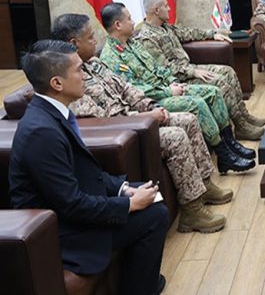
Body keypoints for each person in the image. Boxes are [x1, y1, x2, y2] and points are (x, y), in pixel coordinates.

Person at [9, 40, 168, 295]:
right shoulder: (41, 132)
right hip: (60, 231)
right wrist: (129, 204)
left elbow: (86, 174)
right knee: (154, 215)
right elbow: (70, 205)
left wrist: (123, 189)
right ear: (57, 83)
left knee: (152, 195)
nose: (85, 76)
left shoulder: (53, 113)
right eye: (79, 70)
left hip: (74, 209)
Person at [52, 13, 232, 233]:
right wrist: (145, 118)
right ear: (74, 43)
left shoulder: (94, 63)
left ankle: (205, 185)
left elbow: (126, 89)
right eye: (90, 37)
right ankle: (192, 210)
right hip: (125, 130)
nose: (96, 40)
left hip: (136, 116)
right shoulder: (69, 80)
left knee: (188, 119)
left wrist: (150, 106)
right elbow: (103, 122)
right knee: (175, 136)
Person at [99, 2, 255, 174]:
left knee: (213, 92)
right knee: (197, 104)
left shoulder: (133, 44)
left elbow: (157, 68)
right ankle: (224, 154)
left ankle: (230, 143)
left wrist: (172, 81)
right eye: (129, 18)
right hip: (152, 100)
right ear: (118, 25)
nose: (133, 21)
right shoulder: (111, 57)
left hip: (166, 87)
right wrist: (168, 91)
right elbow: (135, 90)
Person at [137, 0, 265, 140]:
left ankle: (244, 117)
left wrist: (212, 34)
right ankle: (241, 127)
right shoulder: (148, 38)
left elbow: (188, 32)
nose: (169, 8)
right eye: (166, 6)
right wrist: (193, 72)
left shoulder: (165, 27)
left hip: (188, 68)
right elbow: (164, 69)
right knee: (219, 81)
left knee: (228, 72)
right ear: (156, 10)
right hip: (178, 80)